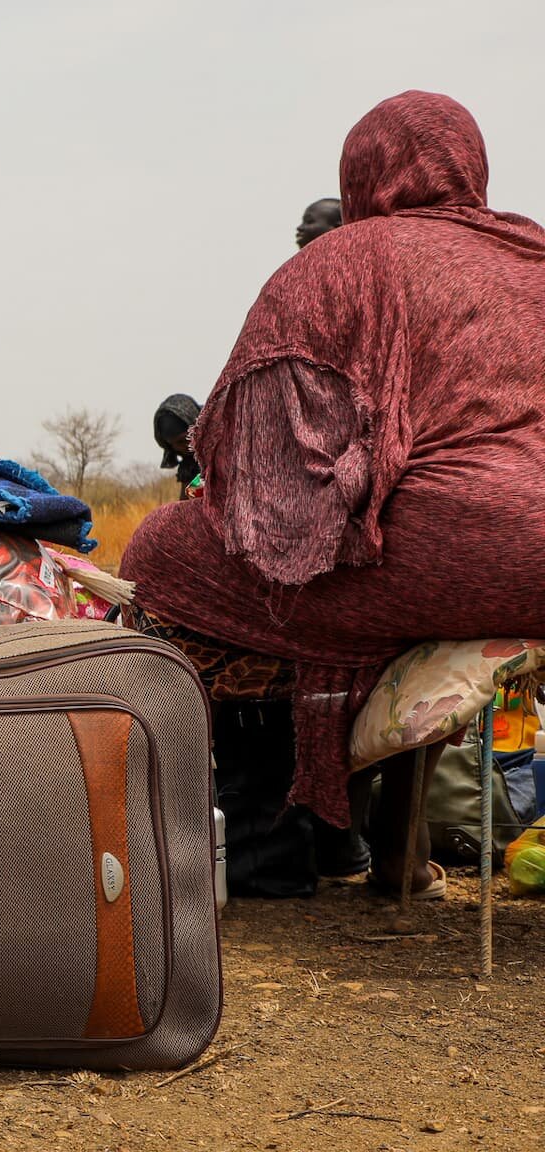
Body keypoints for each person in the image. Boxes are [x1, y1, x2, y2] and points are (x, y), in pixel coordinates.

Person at [124, 91, 545, 898]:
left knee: (161, 553)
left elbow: (265, 474)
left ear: (362, 174)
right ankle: (392, 844)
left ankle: (266, 839)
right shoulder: (532, 251)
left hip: (456, 558)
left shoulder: (347, 259)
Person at [152, 394, 202, 496]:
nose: (187, 446)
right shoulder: (188, 466)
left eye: (188, 438)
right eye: (178, 443)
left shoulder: (224, 443)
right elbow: (188, 502)